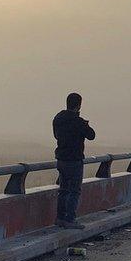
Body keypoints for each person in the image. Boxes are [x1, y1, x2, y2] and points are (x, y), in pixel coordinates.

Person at [53, 92, 95, 229]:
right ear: (78, 105)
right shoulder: (78, 122)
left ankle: (60, 218)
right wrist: (85, 125)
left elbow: (56, 135)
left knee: (63, 190)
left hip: (61, 159)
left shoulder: (58, 119)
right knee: (74, 191)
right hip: (74, 160)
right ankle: (70, 220)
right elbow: (91, 136)